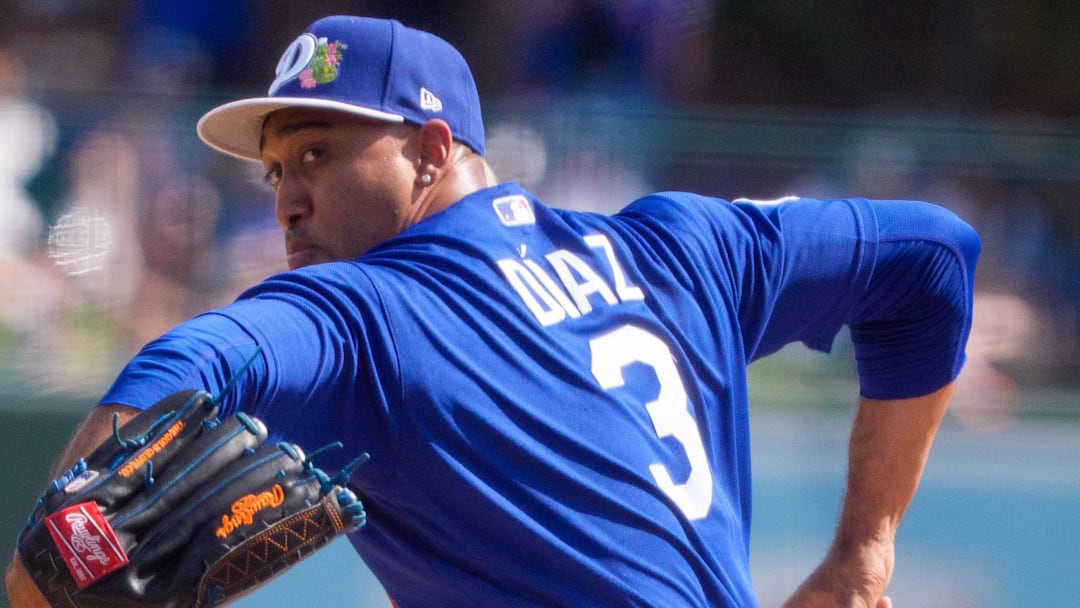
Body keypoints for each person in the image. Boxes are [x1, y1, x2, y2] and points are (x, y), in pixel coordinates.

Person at [6, 15, 980, 608]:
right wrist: (863, 554)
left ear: (432, 151)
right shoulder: (682, 249)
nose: (287, 200)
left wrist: (64, 554)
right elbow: (932, 257)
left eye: (317, 154)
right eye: (274, 172)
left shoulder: (370, 311)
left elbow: (187, 364)